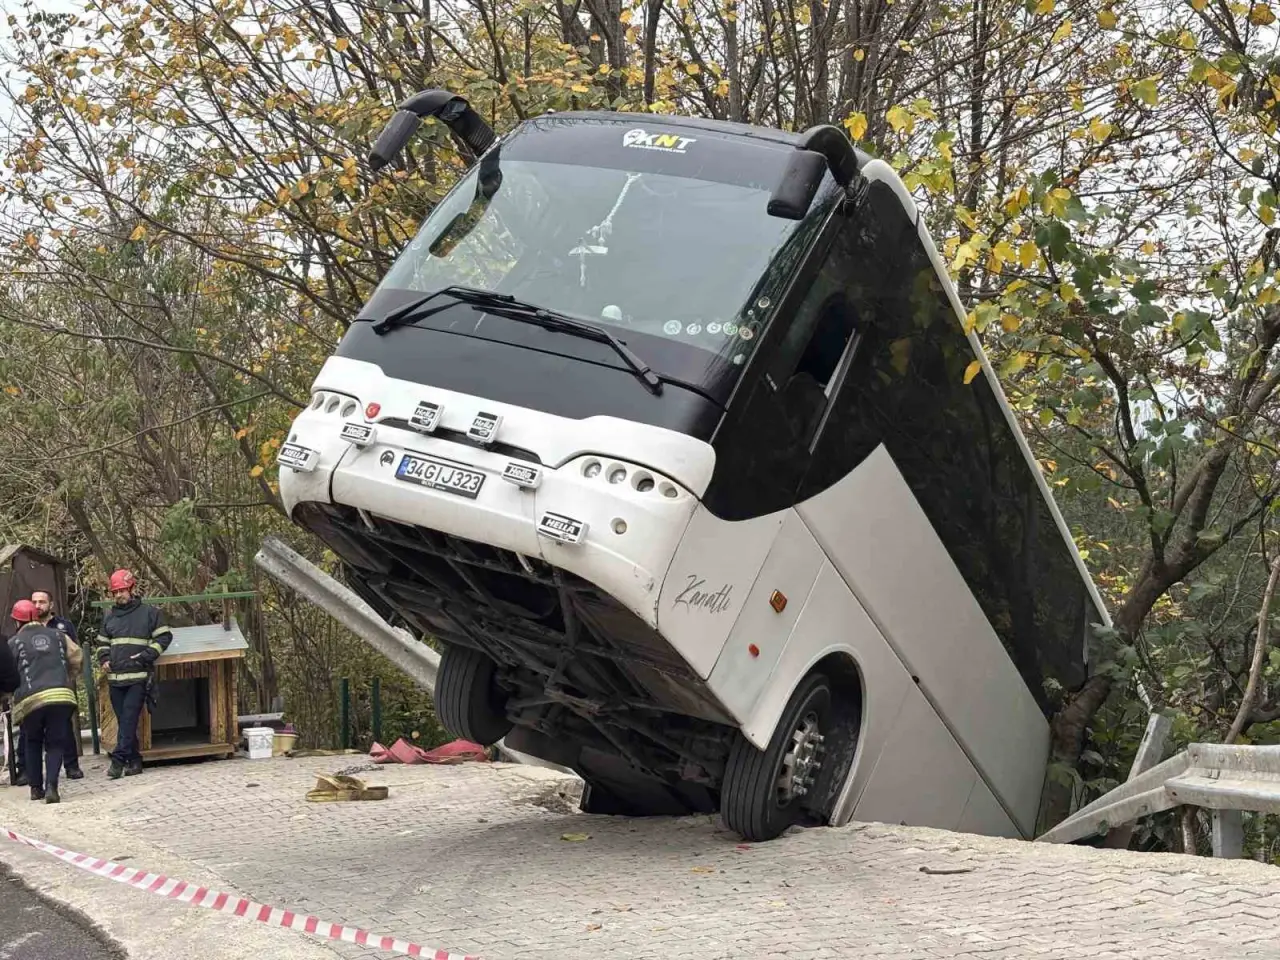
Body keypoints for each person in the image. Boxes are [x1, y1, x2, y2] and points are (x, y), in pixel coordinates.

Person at [98, 569, 171, 779]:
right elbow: (102, 644)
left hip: (138, 678)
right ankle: (135, 760)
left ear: (131, 588)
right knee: (124, 722)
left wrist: (146, 656)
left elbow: (164, 637)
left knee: (129, 720)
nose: (118, 595)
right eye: (115, 592)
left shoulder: (150, 613)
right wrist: (104, 659)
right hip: (115, 680)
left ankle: (118, 761)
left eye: (122, 590)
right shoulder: (109, 618)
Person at [7, 599, 80, 803]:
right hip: (61, 697)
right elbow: (77, 658)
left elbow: (6, 673)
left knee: (32, 741)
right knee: (55, 744)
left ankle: (35, 789)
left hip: (31, 701)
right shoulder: (59, 636)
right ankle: (52, 787)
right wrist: (67, 677)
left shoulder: (13, 643)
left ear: (17, 622)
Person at [25, 591, 83, 780]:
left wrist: (69, 677)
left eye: (42, 602)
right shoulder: (25, 628)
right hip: (32, 687)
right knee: (30, 731)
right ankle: (26, 771)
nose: (38, 605)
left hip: (59, 684)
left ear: (51, 605)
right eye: (34, 602)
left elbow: (75, 653)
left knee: (64, 727)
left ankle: (72, 766)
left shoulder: (63, 626)